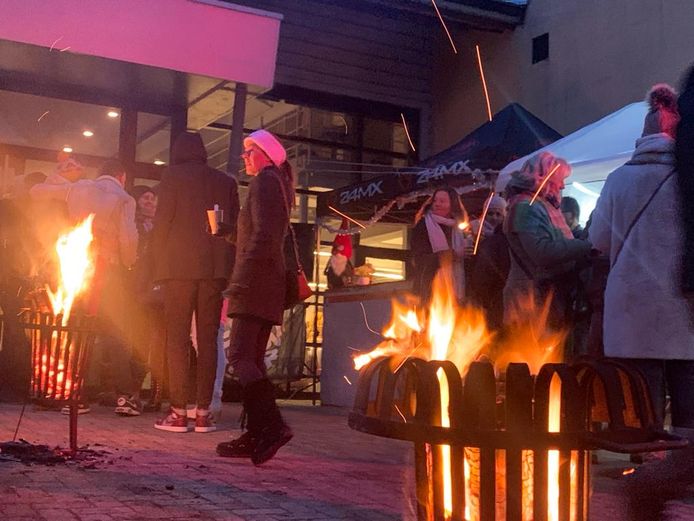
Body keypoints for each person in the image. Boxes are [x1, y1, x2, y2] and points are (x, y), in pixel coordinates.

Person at [591, 83, 694, 520]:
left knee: (643, 405)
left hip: (631, 312)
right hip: (682, 309)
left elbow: (597, 241)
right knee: (688, 402)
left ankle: (648, 474)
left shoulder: (618, 179)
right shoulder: (686, 178)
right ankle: (681, 469)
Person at [31, 159, 139, 414]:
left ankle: (74, 394)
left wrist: (59, 176)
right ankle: (125, 397)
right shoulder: (124, 198)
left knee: (77, 331)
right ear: (121, 176)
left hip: (76, 268)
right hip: (107, 270)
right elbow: (128, 237)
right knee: (115, 332)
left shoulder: (80, 187)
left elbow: (37, 192)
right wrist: (130, 263)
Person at [216, 129, 294, 465]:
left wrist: (241, 280)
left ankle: (272, 427)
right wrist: (229, 232)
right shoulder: (274, 183)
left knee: (239, 356)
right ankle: (255, 433)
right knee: (253, 359)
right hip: (266, 284)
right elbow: (260, 235)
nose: (245, 157)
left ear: (265, 154)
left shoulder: (265, 181)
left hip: (256, 284)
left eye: (250, 151)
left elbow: (265, 237)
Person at [152, 132, 239, 433]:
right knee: (207, 340)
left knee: (176, 339)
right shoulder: (226, 181)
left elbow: (162, 221)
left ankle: (178, 412)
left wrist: (153, 265)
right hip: (213, 271)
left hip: (177, 269)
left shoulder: (172, 176)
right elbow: (233, 230)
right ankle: (203, 413)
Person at [503, 152, 592, 331]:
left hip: (542, 297)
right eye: (559, 180)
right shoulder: (525, 208)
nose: (562, 186)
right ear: (543, 178)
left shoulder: (538, 205)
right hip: (530, 301)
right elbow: (542, 252)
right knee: (532, 356)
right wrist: (585, 246)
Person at [409, 187, 470, 304]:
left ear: (453, 204)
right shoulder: (423, 226)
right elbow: (419, 260)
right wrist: (453, 254)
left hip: (456, 291)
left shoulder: (460, 228)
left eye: (442, 201)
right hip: (429, 291)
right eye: (435, 201)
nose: (437, 204)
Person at [468, 195, 509, 332]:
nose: (494, 217)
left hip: (498, 289)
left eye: (499, 214)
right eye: (490, 213)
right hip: (477, 289)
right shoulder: (472, 231)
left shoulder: (507, 236)